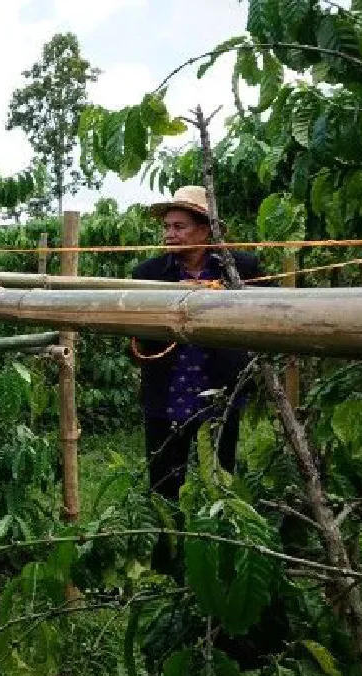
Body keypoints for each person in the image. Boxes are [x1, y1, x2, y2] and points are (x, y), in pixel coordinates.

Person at [130, 186, 263, 533]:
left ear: (205, 229)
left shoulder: (242, 268)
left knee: (220, 478)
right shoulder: (147, 273)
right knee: (163, 484)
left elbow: (263, 318)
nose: (169, 235)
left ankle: (219, 542)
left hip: (219, 392)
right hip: (167, 393)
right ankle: (167, 552)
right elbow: (134, 328)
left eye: (179, 227)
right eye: (167, 227)